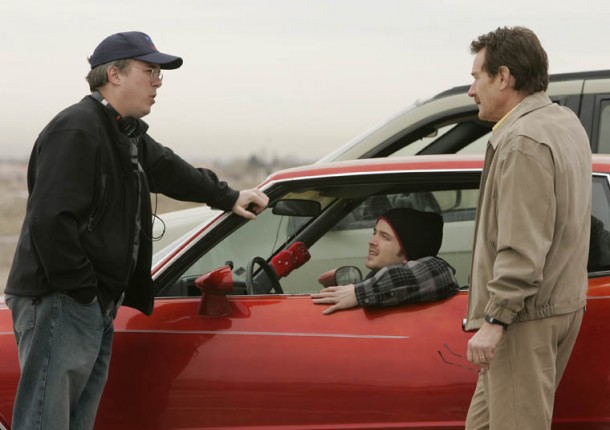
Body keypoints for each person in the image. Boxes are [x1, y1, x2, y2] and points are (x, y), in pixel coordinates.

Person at [4, 31, 268, 430]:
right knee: (46, 422)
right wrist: (82, 293)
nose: (159, 82)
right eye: (150, 71)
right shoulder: (77, 129)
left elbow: (168, 168)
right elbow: (50, 221)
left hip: (89, 304)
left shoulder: (123, 133)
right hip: (60, 300)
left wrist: (228, 196)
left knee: (75, 422)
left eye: (160, 73)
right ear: (114, 74)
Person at [463, 26, 592, 429]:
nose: (471, 90)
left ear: (503, 77)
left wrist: (495, 321)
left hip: (524, 318)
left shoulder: (523, 140)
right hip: (557, 305)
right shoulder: (563, 122)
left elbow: (522, 247)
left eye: (477, 77)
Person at [311, 207, 460, 315]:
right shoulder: (379, 282)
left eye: (385, 237)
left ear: (407, 253)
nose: (372, 241)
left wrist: (358, 293)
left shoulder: (435, 270)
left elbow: (436, 271)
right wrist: (341, 291)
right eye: (375, 233)